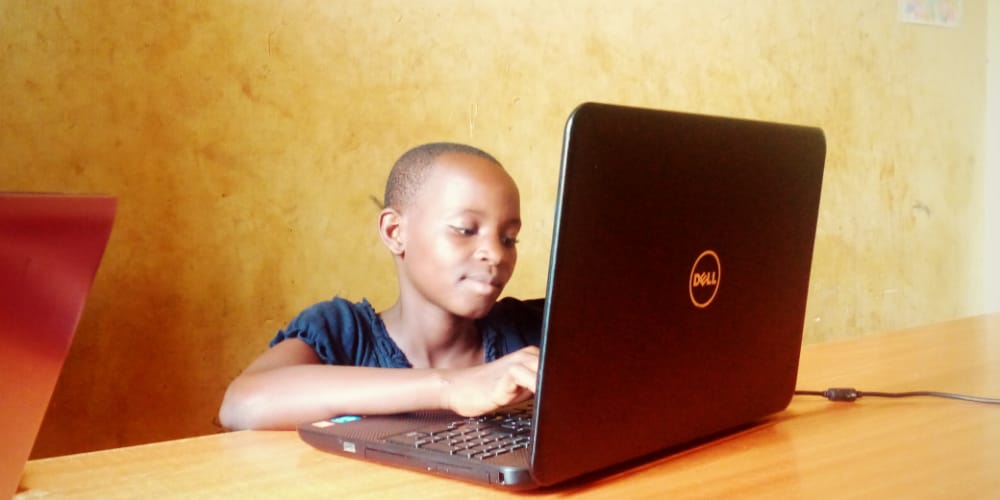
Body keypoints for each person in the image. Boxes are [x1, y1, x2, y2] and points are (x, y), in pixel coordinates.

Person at [219, 143, 543, 431]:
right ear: (395, 232)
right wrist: (449, 387)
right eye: (465, 229)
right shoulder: (343, 334)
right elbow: (242, 405)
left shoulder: (531, 328)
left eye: (508, 238)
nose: (497, 254)